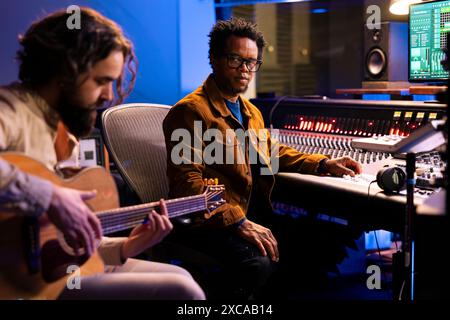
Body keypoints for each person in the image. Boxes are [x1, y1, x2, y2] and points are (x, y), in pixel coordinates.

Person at [0, 7, 205, 300]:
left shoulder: (59, 131)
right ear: (65, 70)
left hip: (44, 273)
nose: (109, 95)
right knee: (181, 291)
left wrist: (125, 247)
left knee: (181, 276)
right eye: (101, 81)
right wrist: (50, 196)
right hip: (15, 287)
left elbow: (55, 241)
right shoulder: (10, 109)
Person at [163, 17, 362, 299]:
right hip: (209, 223)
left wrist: (322, 163)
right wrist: (238, 222)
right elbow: (187, 183)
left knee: (326, 242)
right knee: (257, 263)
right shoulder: (191, 112)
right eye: (235, 60)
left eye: (252, 62)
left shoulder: (250, 111)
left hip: (248, 212)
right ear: (214, 59)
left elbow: (270, 153)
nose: (245, 70)